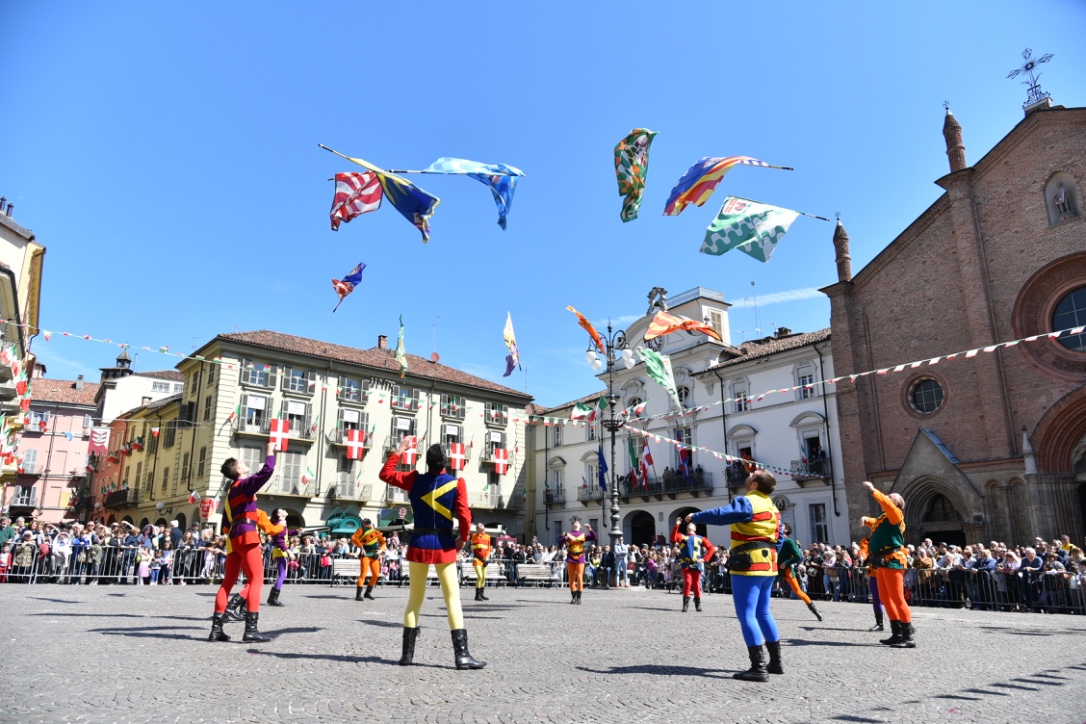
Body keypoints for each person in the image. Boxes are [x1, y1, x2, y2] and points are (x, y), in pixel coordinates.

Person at [380, 437, 484, 670]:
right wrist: (463, 539)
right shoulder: (457, 484)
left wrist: (399, 451)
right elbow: (465, 517)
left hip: (418, 542)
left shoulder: (414, 479)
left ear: (427, 462)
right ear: (445, 462)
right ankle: (462, 656)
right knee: (452, 599)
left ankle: (407, 656)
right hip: (444, 544)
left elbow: (385, 474)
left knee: (414, 600)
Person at [688, 469, 784, 681]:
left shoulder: (748, 501)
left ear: (755, 485)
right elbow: (780, 537)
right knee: (764, 612)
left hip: (748, 562)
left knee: (747, 614)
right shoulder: (772, 506)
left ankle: (758, 668)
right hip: (769, 563)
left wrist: (696, 516)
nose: (749, 473)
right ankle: (776, 662)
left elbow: (723, 515)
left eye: (754, 474)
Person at [208, 439, 277, 644]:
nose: (244, 462)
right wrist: (270, 450)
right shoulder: (243, 485)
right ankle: (251, 630)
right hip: (247, 534)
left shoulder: (231, 492)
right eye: (240, 462)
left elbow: (226, 521)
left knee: (227, 583)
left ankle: (216, 629)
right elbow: (267, 471)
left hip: (234, 538)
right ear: (238, 470)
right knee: (257, 581)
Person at [859, 480, 914, 648]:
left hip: (893, 560)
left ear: (896, 503)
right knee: (884, 597)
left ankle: (908, 635)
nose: (888, 497)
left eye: (891, 497)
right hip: (880, 561)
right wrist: (866, 519)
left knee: (897, 598)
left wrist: (873, 490)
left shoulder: (896, 514)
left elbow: (887, 506)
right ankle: (896, 633)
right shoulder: (884, 517)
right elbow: (875, 522)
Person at [777, 523, 822, 621]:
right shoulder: (775, 540)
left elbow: (798, 556)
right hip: (775, 569)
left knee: (798, 591)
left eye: (783, 526)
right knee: (765, 589)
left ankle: (815, 610)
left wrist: (786, 562)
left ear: (786, 530)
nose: (780, 526)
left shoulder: (789, 541)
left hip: (786, 569)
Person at [670, 517, 716, 613]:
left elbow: (711, 548)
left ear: (695, 529)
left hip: (697, 564)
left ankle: (697, 604)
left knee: (696, 584)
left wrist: (704, 559)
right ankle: (685, 604)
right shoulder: (683, 537)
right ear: (687, 529)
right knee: (687, 582)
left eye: (692, 525)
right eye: (688, 525)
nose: (690, 525)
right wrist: (677, 525)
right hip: (686, 564)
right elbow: (673, 538)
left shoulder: (701, 538)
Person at [559, 519, 596, 604]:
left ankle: (579, 597)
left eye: (577, 522)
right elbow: (560, 542)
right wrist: (565, 538)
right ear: (573, 525)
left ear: (580, 526)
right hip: (570, 557)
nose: (575, 523)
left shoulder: (583, 535)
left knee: (579, 577)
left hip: (580, 557)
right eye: (574, 522)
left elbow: (594, 537)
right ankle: (573, 596)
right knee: (571, 578)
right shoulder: (568, 534)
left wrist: (590, 529)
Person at [350, 518, 386, 602]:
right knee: (363, 574)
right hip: (365, 554)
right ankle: (358, 595)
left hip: (374, 555)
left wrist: (381, 550)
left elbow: (383, 542)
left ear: (363, 523)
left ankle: (367, 593)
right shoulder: (361, 530)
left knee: (376, 575)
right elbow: (354, 538)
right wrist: (361, 546)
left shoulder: (377, 532)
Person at [470, 522, 491, 600]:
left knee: (484, 577)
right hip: (477, 558)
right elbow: (475, 541)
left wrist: (487, 557)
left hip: (484, 559)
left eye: (482, 525)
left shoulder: (488, 536)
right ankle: (477, 595)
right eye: (479, 526)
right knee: (480, 576)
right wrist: (479, 532)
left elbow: (488, 549)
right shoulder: (474, 536)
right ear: (477, 529)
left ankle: (481, 594)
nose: (482, 526)